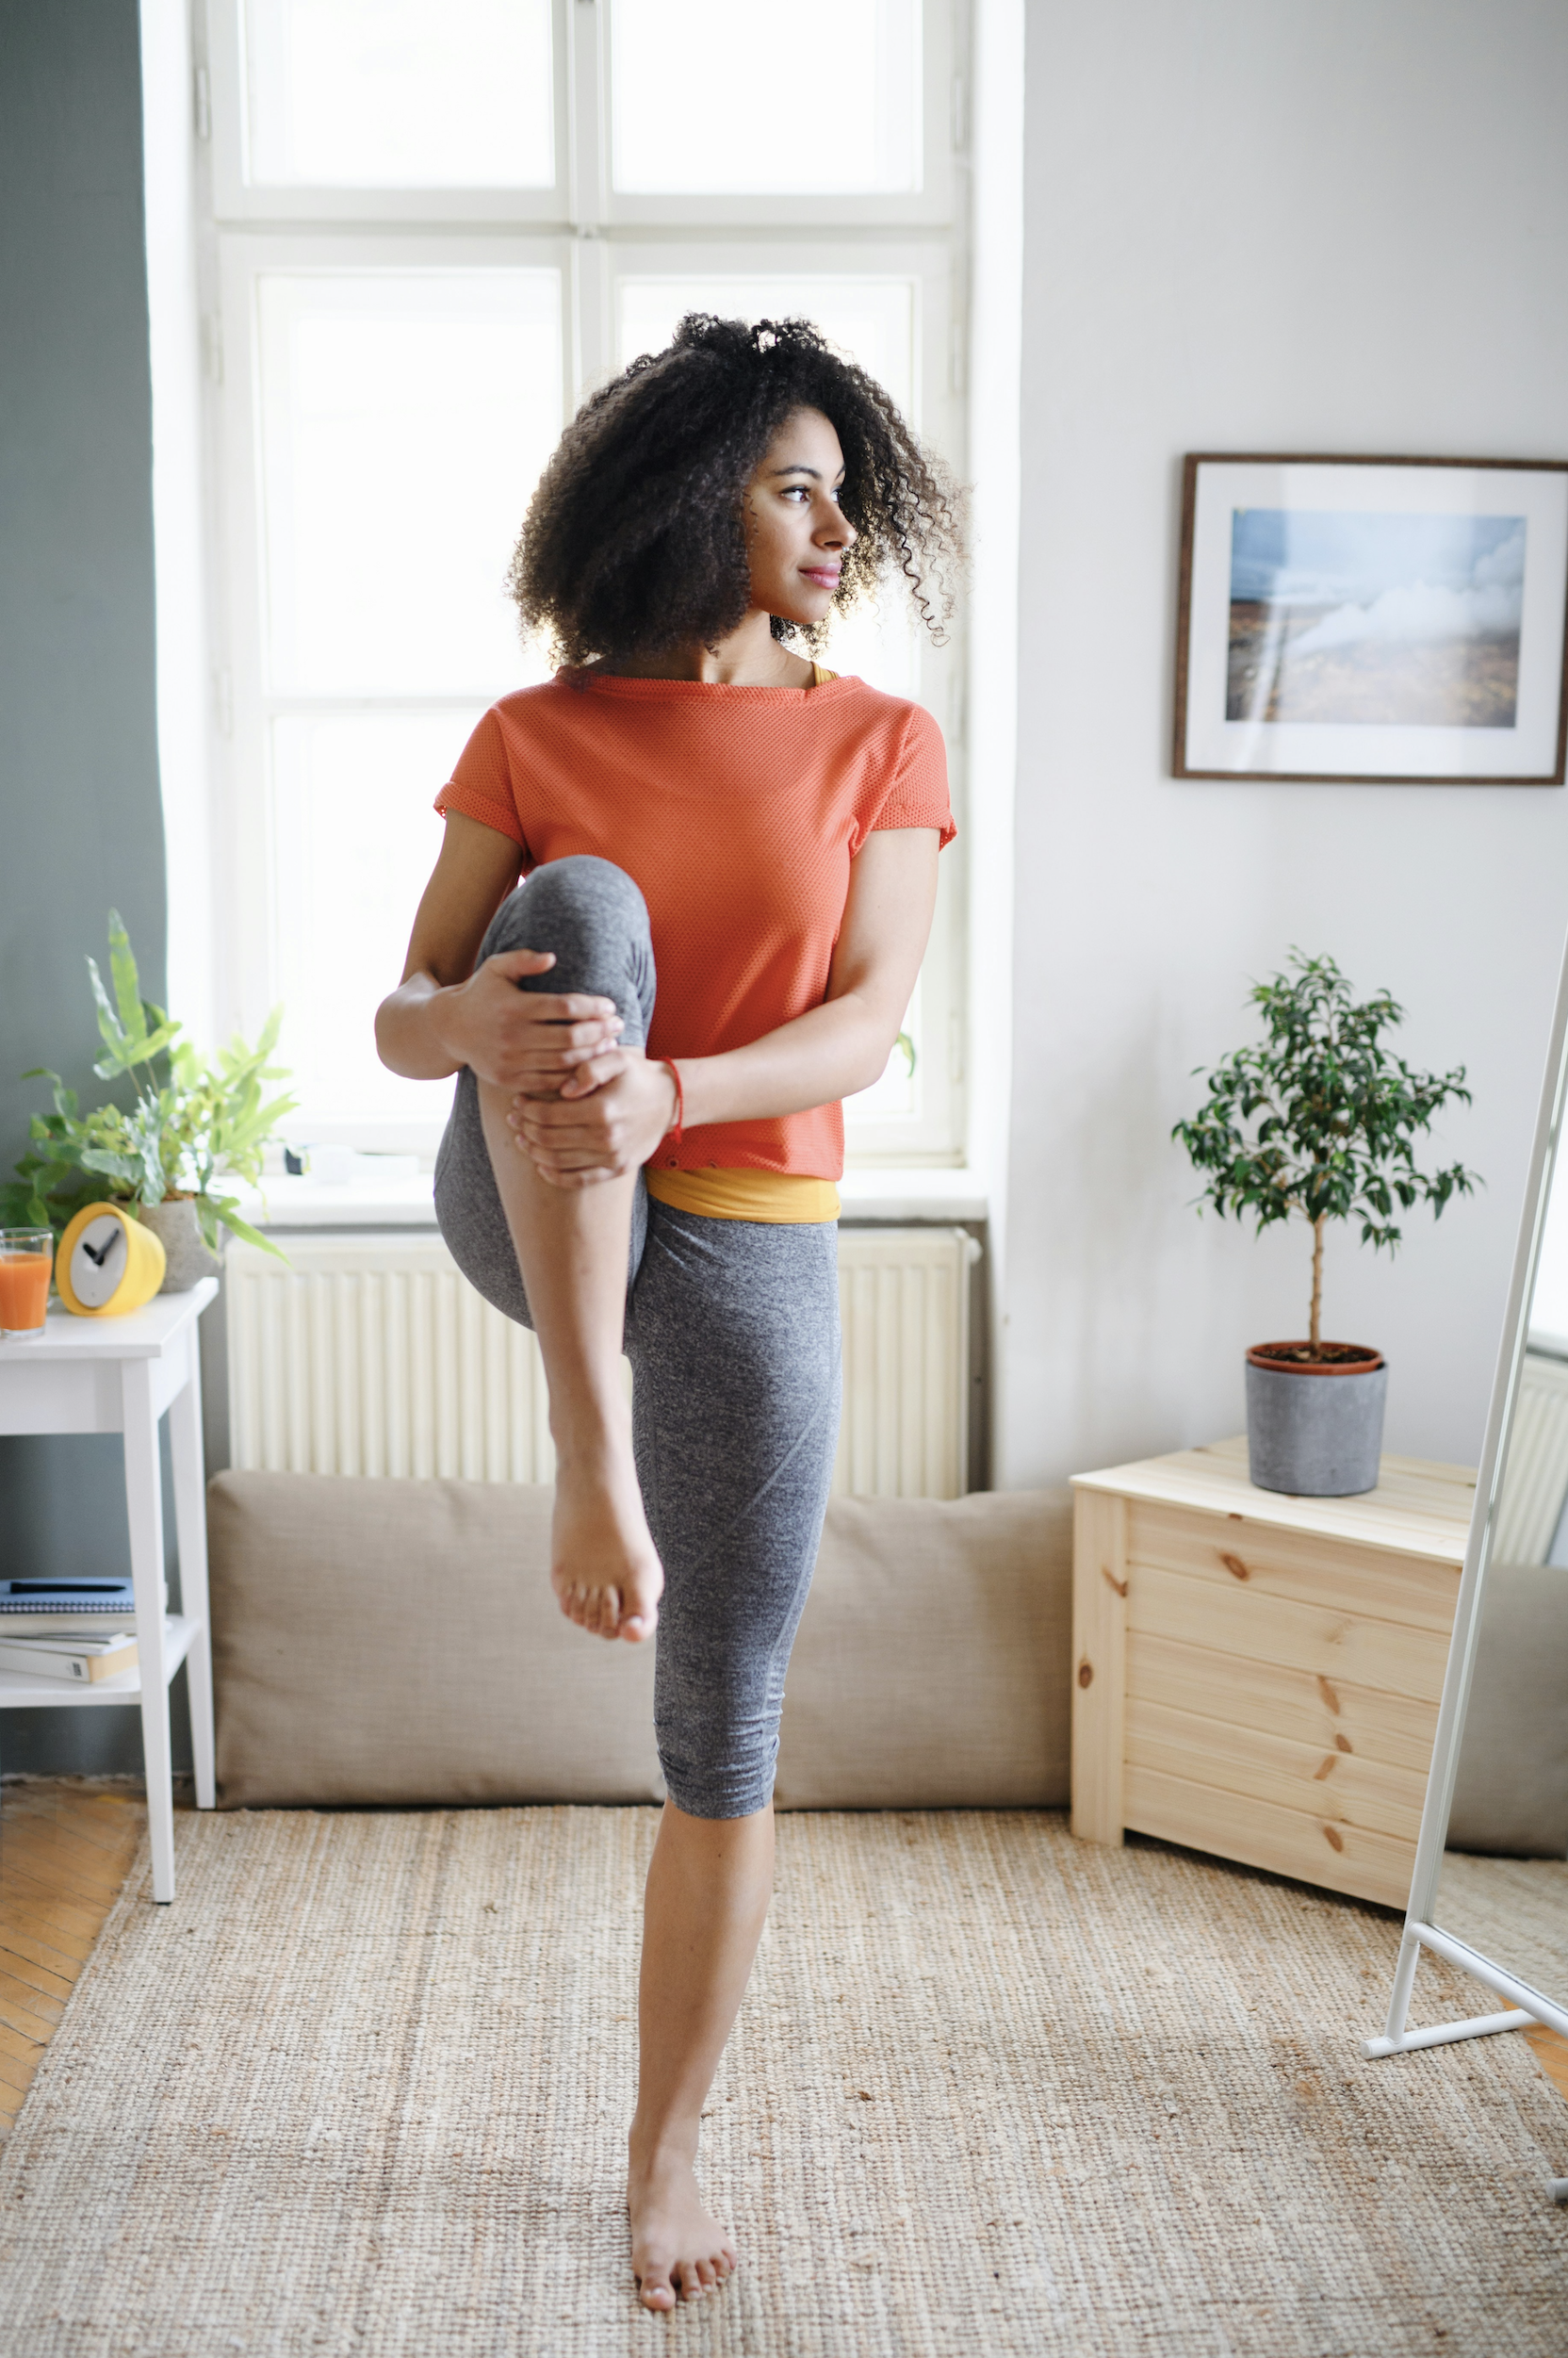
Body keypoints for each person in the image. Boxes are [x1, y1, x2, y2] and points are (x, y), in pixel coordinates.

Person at [375, 315, 961, 2310]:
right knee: (590, 913)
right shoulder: (538, 732)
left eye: (842, 489)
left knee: (724, 1720)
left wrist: (675, 1093)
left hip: (745, 1215)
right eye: (793, 481)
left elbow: (867, 1025)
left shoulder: (880, 738)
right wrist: (475, 1025)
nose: (832, 521)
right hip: (531, 1187)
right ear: (687, 492)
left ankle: (666, 2153)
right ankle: (582, 1454)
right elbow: (407, 1011)